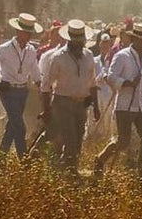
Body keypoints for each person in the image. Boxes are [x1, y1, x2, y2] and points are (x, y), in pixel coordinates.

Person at [95, 22, 142, 175]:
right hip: (125, 105)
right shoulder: (122, 56)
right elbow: (110, 77)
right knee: (123, 141)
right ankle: (101, 159)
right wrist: (126, 83)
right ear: (135, 39)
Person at [39, 20, 98, 172]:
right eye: (76, 41)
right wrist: (46, 110)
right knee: (70, 140)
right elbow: (46, 85)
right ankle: (70, 173)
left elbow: (92, 82)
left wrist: (96, 106)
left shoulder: (89, 56)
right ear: (70, 40)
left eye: (81, 40)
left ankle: (63, 168)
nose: (80, 43)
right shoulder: (58, 57)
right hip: (62, 103)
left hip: (82, 104)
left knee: (78, 140)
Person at [0, 13, 43, 157]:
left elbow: (35, 72)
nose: (29, 35)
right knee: (19, 125)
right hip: (7, 90)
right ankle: (23, 158)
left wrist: (42, 87)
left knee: (12, 125)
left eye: (30, 32)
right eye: (26, 32)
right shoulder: (4, 48)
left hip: (23, 91)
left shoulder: (31, 50)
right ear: (18, 31)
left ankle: (1, 154)